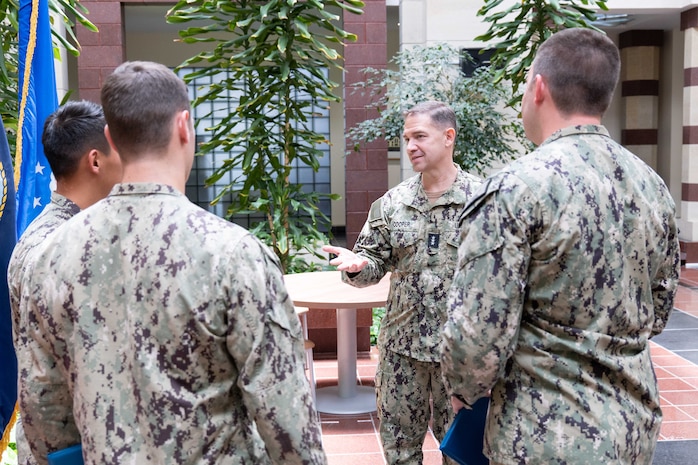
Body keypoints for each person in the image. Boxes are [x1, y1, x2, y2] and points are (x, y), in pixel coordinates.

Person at [17, 61, 327, 465]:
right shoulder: (232, 254)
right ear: (184, 126)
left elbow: (44, 413)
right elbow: (287, 420)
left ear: (111, 137)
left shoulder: (49, 257)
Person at [441, 28, 681, 465]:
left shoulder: (515, 188)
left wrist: (464, 393)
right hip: (632, 429)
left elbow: (476, 335)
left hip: (542, 435)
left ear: (539, 87)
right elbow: (660, 307)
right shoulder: (652, 187)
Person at [324, 101, 482, 464]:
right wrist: (357, 266)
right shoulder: (392, 203)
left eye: (420, 136)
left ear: (448, 137)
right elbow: (373, 263)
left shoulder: (482, 200)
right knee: (399, 450)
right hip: (401, 350)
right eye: (407, 137)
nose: (410, 146)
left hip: (458, 352)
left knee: (461, 451)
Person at [8, 100, 122, 465]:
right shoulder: (66, 248)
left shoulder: (43, 235)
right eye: (120, 150)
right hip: (69, 451)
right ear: (95, 161)